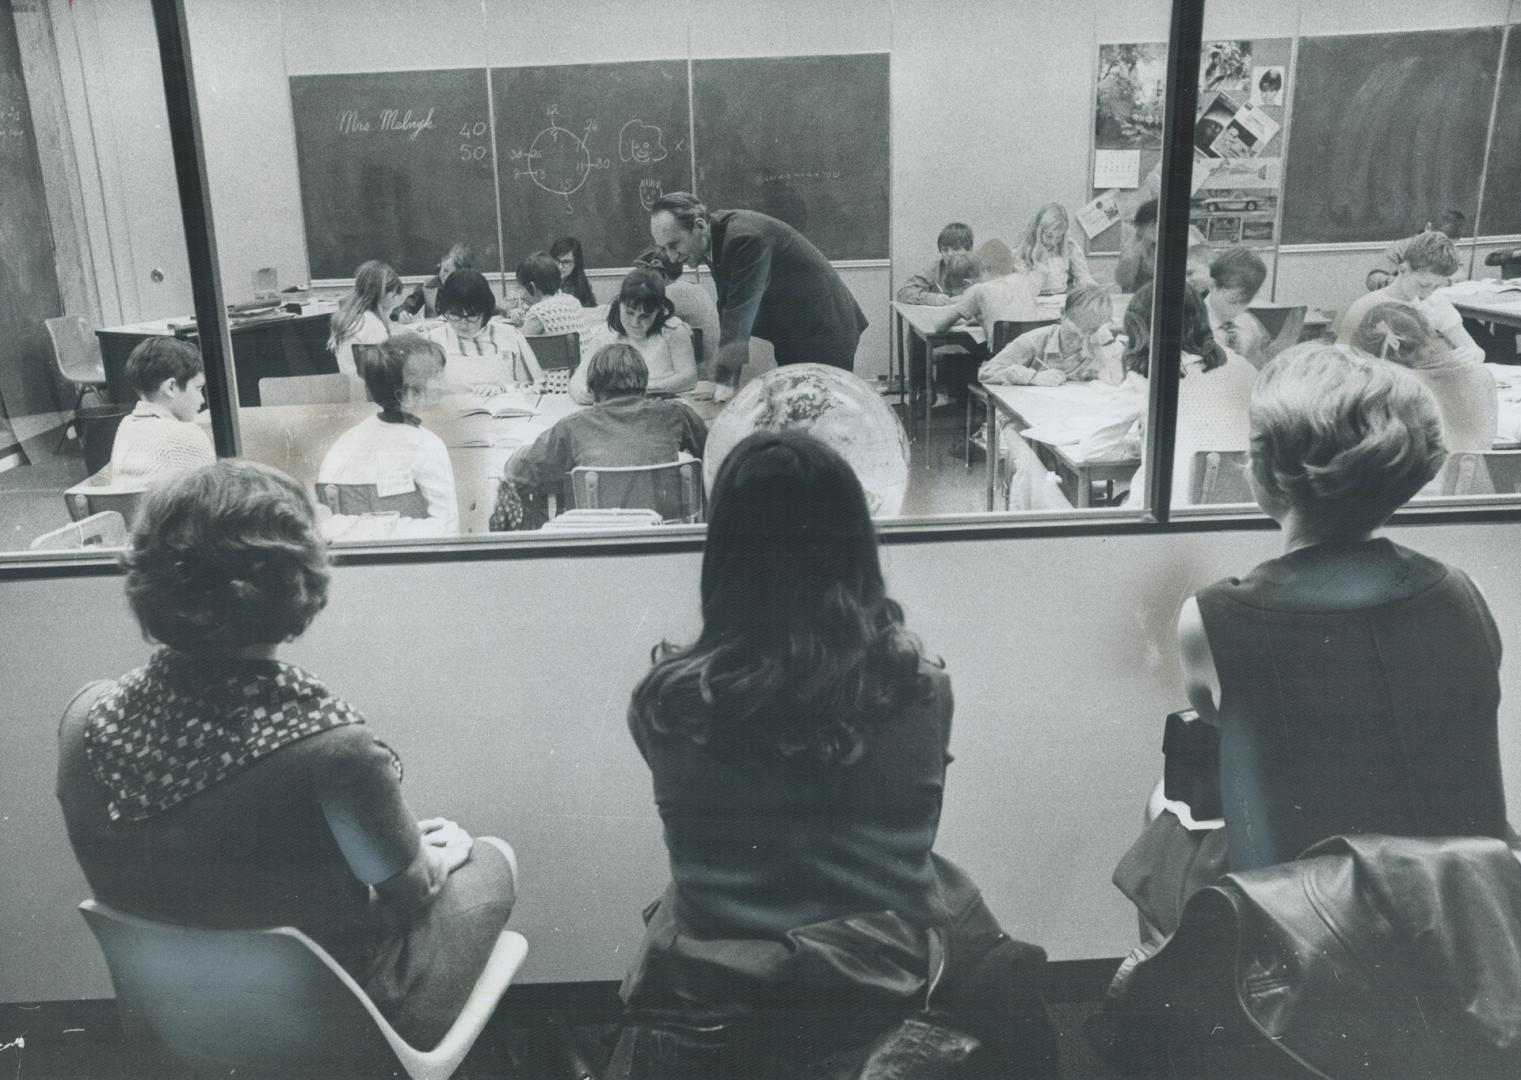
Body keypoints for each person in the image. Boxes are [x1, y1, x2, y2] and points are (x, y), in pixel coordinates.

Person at [608, 430, 1055, 1079]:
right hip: (878, 987)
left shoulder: (663, 705)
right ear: (855, 546)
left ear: (725, 551)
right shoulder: (921, 690)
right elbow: (902, 828)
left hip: (721, 990)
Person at [55, 458, 518, 1051]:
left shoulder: (84, 716)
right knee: (491, 859)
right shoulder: (334, 750)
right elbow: (409, 890)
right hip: (332, 1031)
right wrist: (434, 857)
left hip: (175, 1024)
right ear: (293, 581)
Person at [1112, 344, 1507, 944]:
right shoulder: (1464, 594)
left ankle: (1171, 999)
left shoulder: (1211, 617)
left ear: (1265, 473)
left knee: (1162, 809)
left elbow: (1232, 729)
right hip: (1464, 902)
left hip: (1306, 918)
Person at [649, 192, 869, 401]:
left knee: (819, 414)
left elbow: (739, 311)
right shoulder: (716, 235)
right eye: (664, 248)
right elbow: (727, 304)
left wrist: (726, 384)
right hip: (795, 334)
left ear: (698, 226)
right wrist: (722, 382)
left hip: (824, 333)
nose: (671, 257)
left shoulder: (743, 238)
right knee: (794, 408)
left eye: (674, 245)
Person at [498, 343, 708, 529]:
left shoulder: (572, 426)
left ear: (591, 389)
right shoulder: (676, 414)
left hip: (596, 536)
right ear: (645, 385)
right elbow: (713, 455)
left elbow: (516, 474)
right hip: (662, 531)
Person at [1125, 283, 1257, 508]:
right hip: (1239, 508)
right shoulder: (1245, 368)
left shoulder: (1148, 375)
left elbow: (1093, 447)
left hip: (1166, 510)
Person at [317, 335, 458, 538]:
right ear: (408, 395)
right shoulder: (428, 445)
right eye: (436, 376)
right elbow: (448, 526)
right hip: (413, 557)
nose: (444, 384)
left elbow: (328, 514)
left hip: (350, 551)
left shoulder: (348, 439)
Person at [1350, 300, 1498, 453]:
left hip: (1421, 474)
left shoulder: (1393, 388)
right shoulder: (1480, 374)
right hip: (1476, 472)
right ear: (1426, 334)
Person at [1337, 231, 1484, 365]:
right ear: (1403, 269)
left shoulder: (1437, 302)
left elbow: (1477, 351)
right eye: (1423, 284)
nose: (1428, 293)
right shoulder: (1365, 305)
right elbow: (1339, 357)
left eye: (1437, 286)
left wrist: (1470, 355)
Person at [572, 269, 696, 404]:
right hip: (616, 409)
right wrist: (586, 394)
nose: (635, 322)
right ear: (620, 304)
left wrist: (637, 392)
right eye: (629, 313)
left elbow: (689, 378)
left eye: (645, 316)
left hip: (659, 406)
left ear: (659, 310)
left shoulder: (673, 330)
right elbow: (577, 380)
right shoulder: (606, 333)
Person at [108, 337, 214, 487]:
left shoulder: (126, 426)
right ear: (171, 387)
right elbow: (213, 498)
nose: (202, 399)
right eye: (198, 388)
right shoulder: (187, 434)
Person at [978, 284, 1123, 386]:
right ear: (1062, 314)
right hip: (1028, 411)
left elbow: (1121, 381)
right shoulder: (1034, 340)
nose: (1081, 336)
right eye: (1075, 327)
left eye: (1089, 330)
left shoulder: (1099, 343)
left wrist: (1108, 343)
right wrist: (1034, 377)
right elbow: (986, 372)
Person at [423, 269, 544, 389]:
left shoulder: (510, 335)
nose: (463, 324)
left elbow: (534, 387)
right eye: (455, 316)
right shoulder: (434, 340)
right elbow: (424, 390)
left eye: (471, 316)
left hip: (502, 406)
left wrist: (504, 388)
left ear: (485, 311)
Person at [633, 247, 721, 379]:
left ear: (663, 276)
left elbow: (637, 315)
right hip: (712, 369)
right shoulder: (689, 287)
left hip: (702, 375)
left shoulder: (672, 292)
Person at [1114, 199, 1209, 293]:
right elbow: (1124, 282)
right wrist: (1141, 246)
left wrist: (1192, 246)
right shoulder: (1134, 244)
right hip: (1147, 299)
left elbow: (1210, 265)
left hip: (1186, 294)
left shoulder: (1190, 231)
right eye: (1149, 226)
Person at [328, 259, 403, 376]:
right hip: (368, 389)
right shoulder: (372, 324)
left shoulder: (350, 316)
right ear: (381, 294)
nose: (394, 301)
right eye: (393, 296)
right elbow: (385, 370)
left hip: (351, 386)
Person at [1366, 211, 1466, 291]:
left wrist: (1447, 280)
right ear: (1428, 228)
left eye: (1449, 244)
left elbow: (1461, 273)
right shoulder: (1400, 247)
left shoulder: (1448, 249)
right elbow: (1373, 279)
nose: (1440, 248)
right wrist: (1405, 283)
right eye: (1434, 241)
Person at [1204, 248, 1270, 367]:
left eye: (1245, 301)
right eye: (1232, 301)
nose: (1237, 309)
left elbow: (1257, 364)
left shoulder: (1249, 324)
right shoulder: (1191, 324)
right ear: (1212, 285)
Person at [1012, 203, 1095, 294]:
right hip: (1033, 300)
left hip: (1061, 299)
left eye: (1059, 237)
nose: (1053, 242)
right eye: (1049, 236)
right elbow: (1023, 288)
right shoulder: (1022, 250)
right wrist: (1040, 261)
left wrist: (1088, 287)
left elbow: (1083, 275)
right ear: (1037, 230)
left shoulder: (1069, 246)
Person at [896, 221, 975, 305]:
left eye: (956, 249)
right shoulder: (933, 270)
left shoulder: (981, 269)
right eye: (945, 250)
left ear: (969, 250)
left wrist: (968, 298)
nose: (949, 254)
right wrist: (933, 299)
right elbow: (903, 294)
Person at [517, 252, 584, 336]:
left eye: (521, 288)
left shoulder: (537, 311)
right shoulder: (574, 301)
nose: (521, 294)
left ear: (531, 287)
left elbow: (520, 344)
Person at [550, 237, 597, 307]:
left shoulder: (580, 288)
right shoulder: (544, 280)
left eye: (566, 262)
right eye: (557, 260)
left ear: (576, 263)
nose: (560, 266)